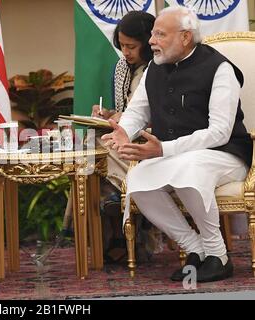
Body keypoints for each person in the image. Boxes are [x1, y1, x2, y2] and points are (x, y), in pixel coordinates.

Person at [101, 6, 251, 283]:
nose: (151, 41)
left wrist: (164, 149)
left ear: (185, 37)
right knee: (138, 178)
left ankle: (218, 255)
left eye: (160, 34)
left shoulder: (220, 69)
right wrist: (123, 131)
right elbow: (137, 111)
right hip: (176, 156)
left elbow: (219, 132)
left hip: (225, 154)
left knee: (188, 167)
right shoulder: (154, 69)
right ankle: (195, 249)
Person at [62, 11, 160, 263]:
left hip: (153, 143)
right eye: (122, 46)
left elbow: (153, 117)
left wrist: (119, 120)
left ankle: (80, 226)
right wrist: (107, 115)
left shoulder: (159, 69)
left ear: (148, 43)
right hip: (125, 137)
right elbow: (127, 110)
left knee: (93, 151)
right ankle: (112, 226)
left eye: (132, 46)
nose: (126, 52)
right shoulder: (122, 69)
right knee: (91, 150)